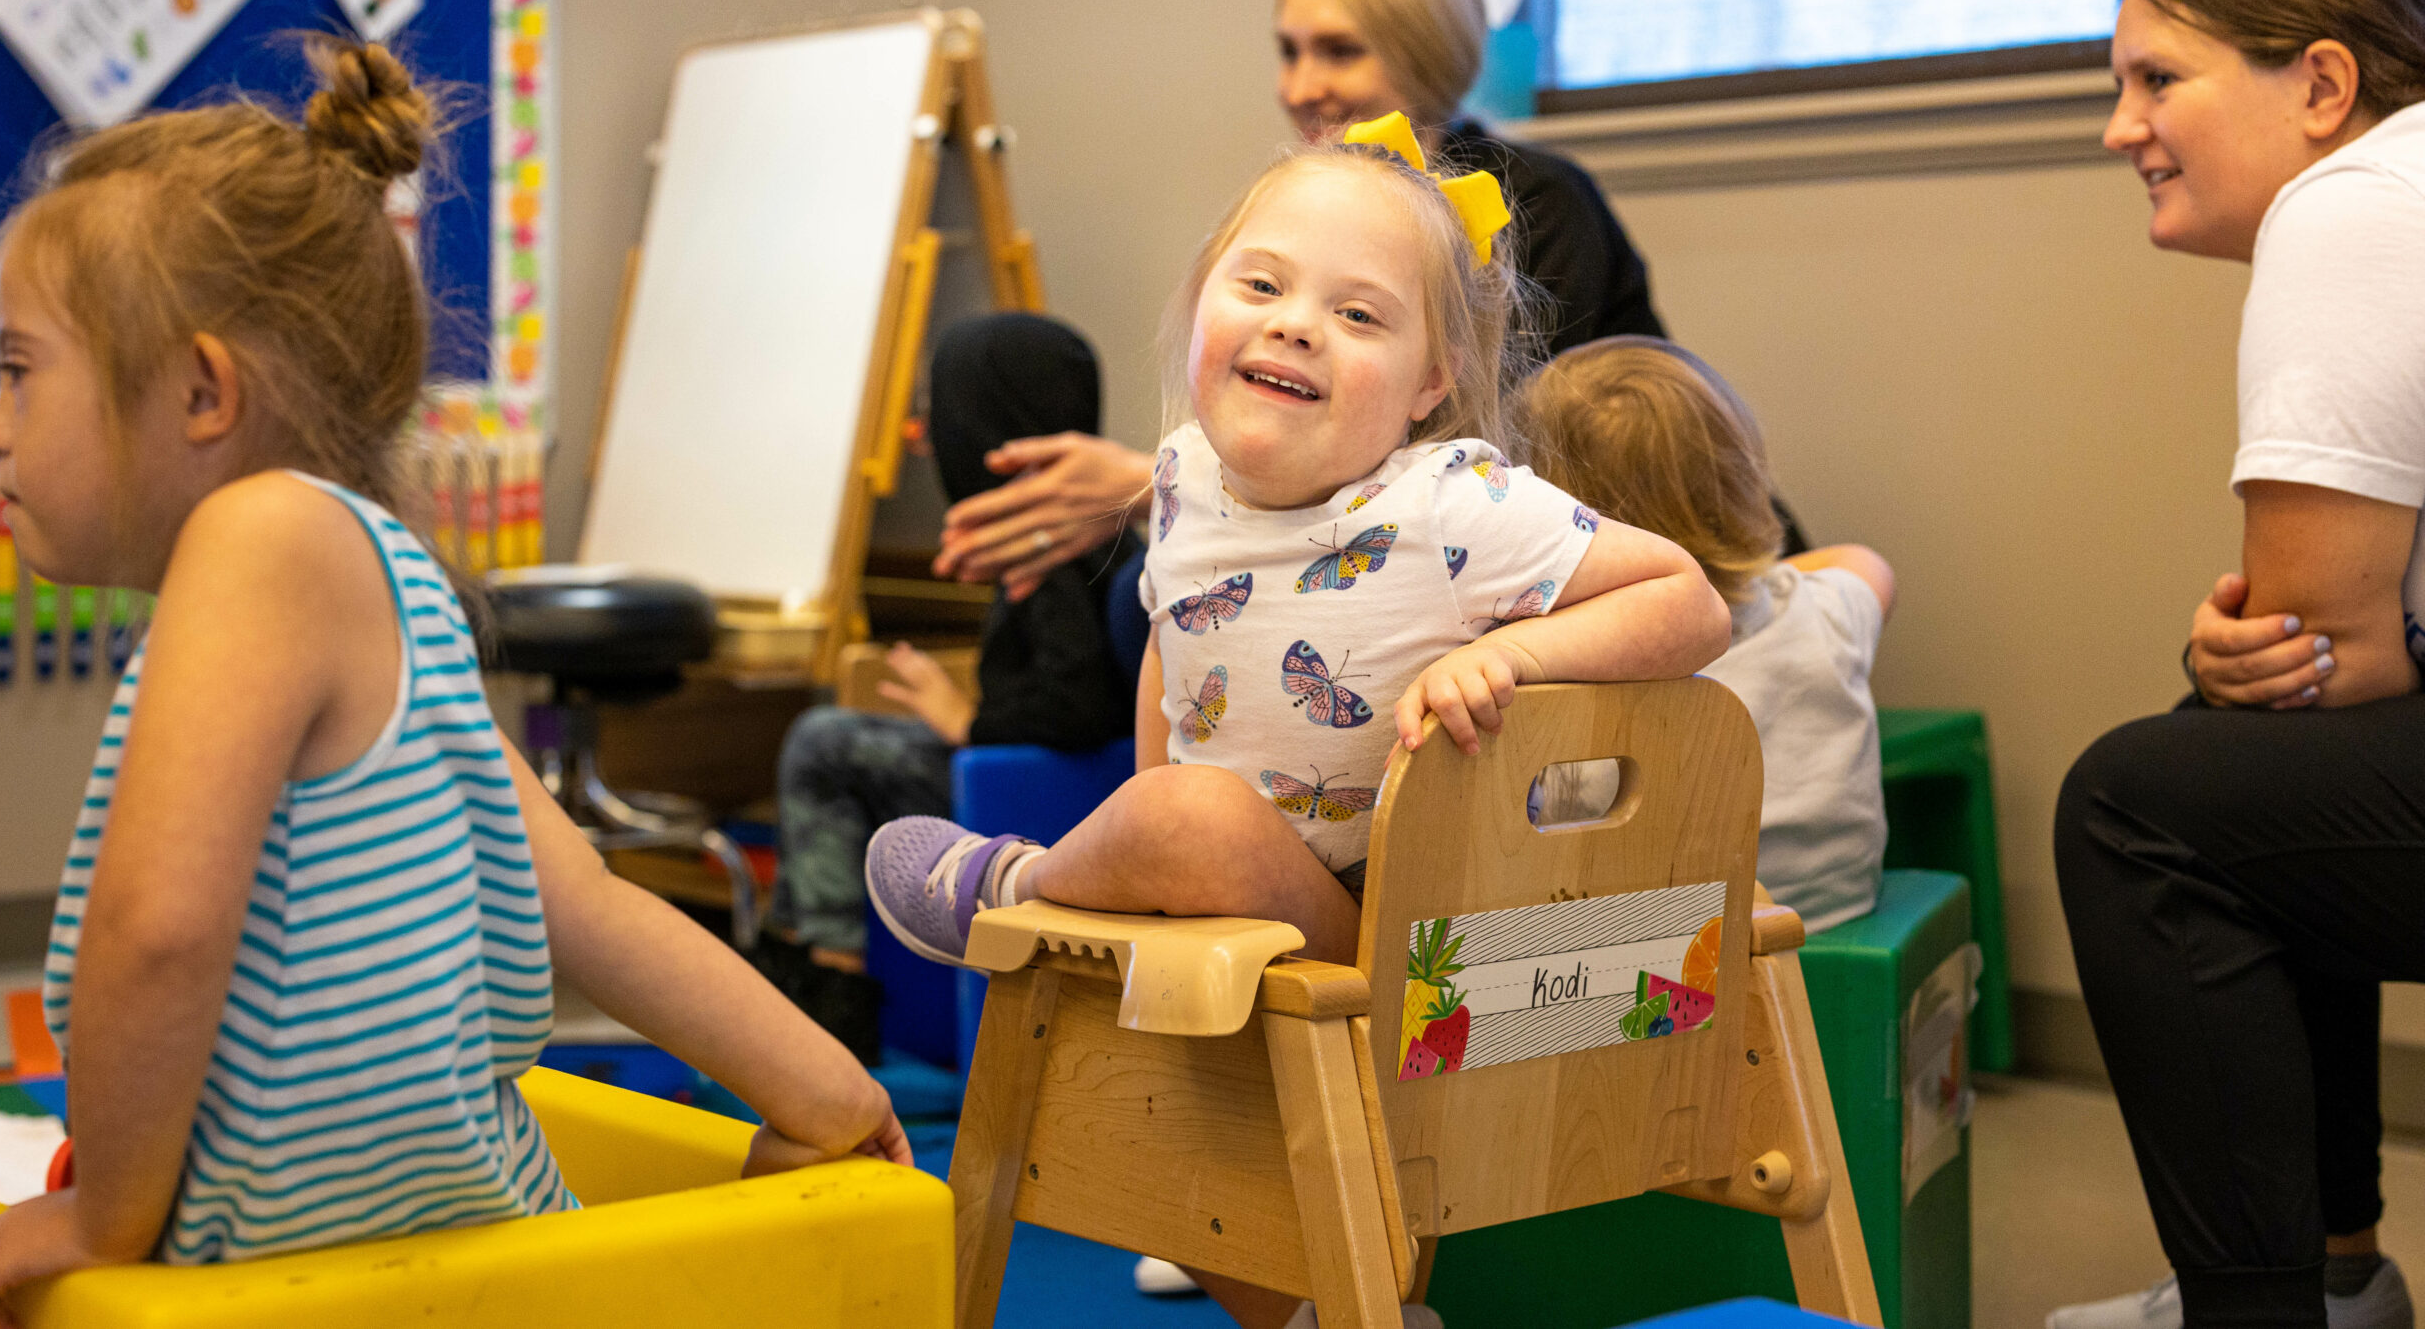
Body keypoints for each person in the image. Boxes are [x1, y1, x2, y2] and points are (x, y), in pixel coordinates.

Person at [0, 40, 905, 1328]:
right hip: (492, 1261)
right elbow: (583, 901)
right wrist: (826, 1092)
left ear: (198, 388)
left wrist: (99, 1212)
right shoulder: (387, 581)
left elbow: (159, 930)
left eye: (16, 368)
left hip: (278, 1290)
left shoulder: (254, 540)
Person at [864, 113, 1728, 1329]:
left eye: (1360, 315)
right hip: (1246, 915)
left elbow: (1687, 601)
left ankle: (1019, 897)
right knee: (1179, 930)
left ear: (1431, 385)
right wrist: (1152, 851)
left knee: (1194, 823)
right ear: (1200, 305)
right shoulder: (1181, 478)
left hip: (1413, 938)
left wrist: (1515, 654)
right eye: (1259, 283)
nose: (1293, 321)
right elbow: (1176, 642)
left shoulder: (1452, 500)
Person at [2049, 0, 2425, 1329]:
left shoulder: (2355, 203)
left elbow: (2325, 650)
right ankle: (2333, 1273)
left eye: (2159, 78)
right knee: (2232, 758)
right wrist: (2249, 659)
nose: (2119, 125)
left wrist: (2236, 659)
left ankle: (2272, 1306)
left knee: (2141, 796)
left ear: (2323, 81)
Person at [933, 0, 1679, 606]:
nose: (1298, 88)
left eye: (1339, 52)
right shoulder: (1320, 202)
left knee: (1157, 595)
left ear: (1429, 56)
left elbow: (1481, 471)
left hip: (1523, 560)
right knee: (1001, 361)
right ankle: (1028, 708)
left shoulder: (1527, 204)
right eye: (1288, 51)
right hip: (1304, 530)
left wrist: (1143, 484)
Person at [768, 314, 1143, 1056]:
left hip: (1037, 792)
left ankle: (834, 988)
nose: (918, 435)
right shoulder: (1069, 541)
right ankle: (810, 960)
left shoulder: (1057, 559)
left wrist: (967, 719)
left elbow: (1078, 707)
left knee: (825, 745)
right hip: (1030, 781)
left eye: (937, 417)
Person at [1518, 337, 1895, 933]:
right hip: (1836, 915)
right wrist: (1749, 566)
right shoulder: (1821, 611)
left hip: (1677, 961)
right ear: (1746, 478)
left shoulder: (1572, 698)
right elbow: (1866, 564)